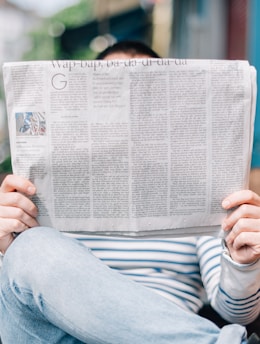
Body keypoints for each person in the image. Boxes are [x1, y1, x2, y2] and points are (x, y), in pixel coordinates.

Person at [0, 41, 260, 344]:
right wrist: (6, 247)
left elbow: (236, 312)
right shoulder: (35, 191)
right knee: (32, 246)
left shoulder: (202, 191)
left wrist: (244, 263)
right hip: (56, 335)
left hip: (163, 335)